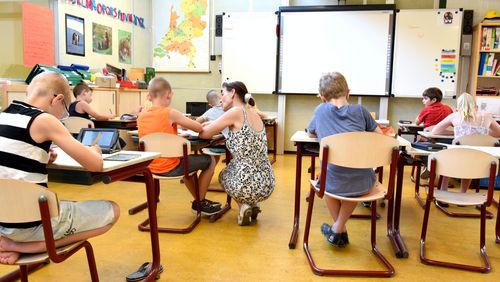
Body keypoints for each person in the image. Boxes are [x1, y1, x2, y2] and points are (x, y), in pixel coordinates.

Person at [0, 72, 119, 265]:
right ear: (57, 99)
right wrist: (95, 150)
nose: (62, 117)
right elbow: (95, 165)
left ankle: (13, 243)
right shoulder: (44, 119)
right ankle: (16, 246)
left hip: (3, 219)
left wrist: (43, 157)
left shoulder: (4, 114)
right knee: (112, 210)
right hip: (32, 225)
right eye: (64, 112)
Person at [306, 72, 382, 247]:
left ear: (322, 97)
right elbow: (380, 137)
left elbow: (311, 132)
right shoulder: (361, 111)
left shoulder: (319, 111)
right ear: (348, 92)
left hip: (329, 182)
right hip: (363, 182)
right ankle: (338, 229)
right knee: (352, 177)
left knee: (323, 179)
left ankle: (338, 229)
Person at [137, 77, 221, 216]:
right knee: (210, 161)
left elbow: (156, 136)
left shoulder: (141, 115)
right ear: (169, 94)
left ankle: (199, 202)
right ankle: (199, 202)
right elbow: (198, 127)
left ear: (149, 95)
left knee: (188, 162)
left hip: (149, 168)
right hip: (171, 166)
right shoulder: (170, 112)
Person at [199, 81, 275, 226]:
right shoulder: (253, 113)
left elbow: (206, 133)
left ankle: (243, 206)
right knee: (237, 168)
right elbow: (219, 124)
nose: (221, 99)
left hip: (247, 184)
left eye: (223, 93)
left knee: (223, 175)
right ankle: (253, 205)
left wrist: (193, 126)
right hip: (267, 183)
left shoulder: (235, 112)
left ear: (233, 93)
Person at [431, 92, 500, 194]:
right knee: (471, 160)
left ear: (458, 107)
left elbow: (435, 131)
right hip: (480, 159)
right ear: (475, 105)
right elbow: (498, 132)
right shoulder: (486, 116)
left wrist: (454, 132)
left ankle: (443, 189)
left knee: (448, 158)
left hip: (456, 158)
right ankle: (463, 192)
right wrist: (484, 135)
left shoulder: (454, 116)